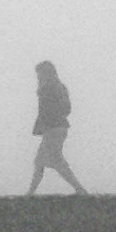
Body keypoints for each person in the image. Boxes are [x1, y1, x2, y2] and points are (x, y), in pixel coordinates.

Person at [27, 61, 87, 195]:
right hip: (58, 127)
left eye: (39, 73)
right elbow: (66, 109)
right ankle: (30, 193)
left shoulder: (47, 88)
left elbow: (45, 111)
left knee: (56, 161)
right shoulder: (59, 86)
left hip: (53, 128)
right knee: (40, 161)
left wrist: (46, 123)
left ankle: (80, 189)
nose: (37, 77)